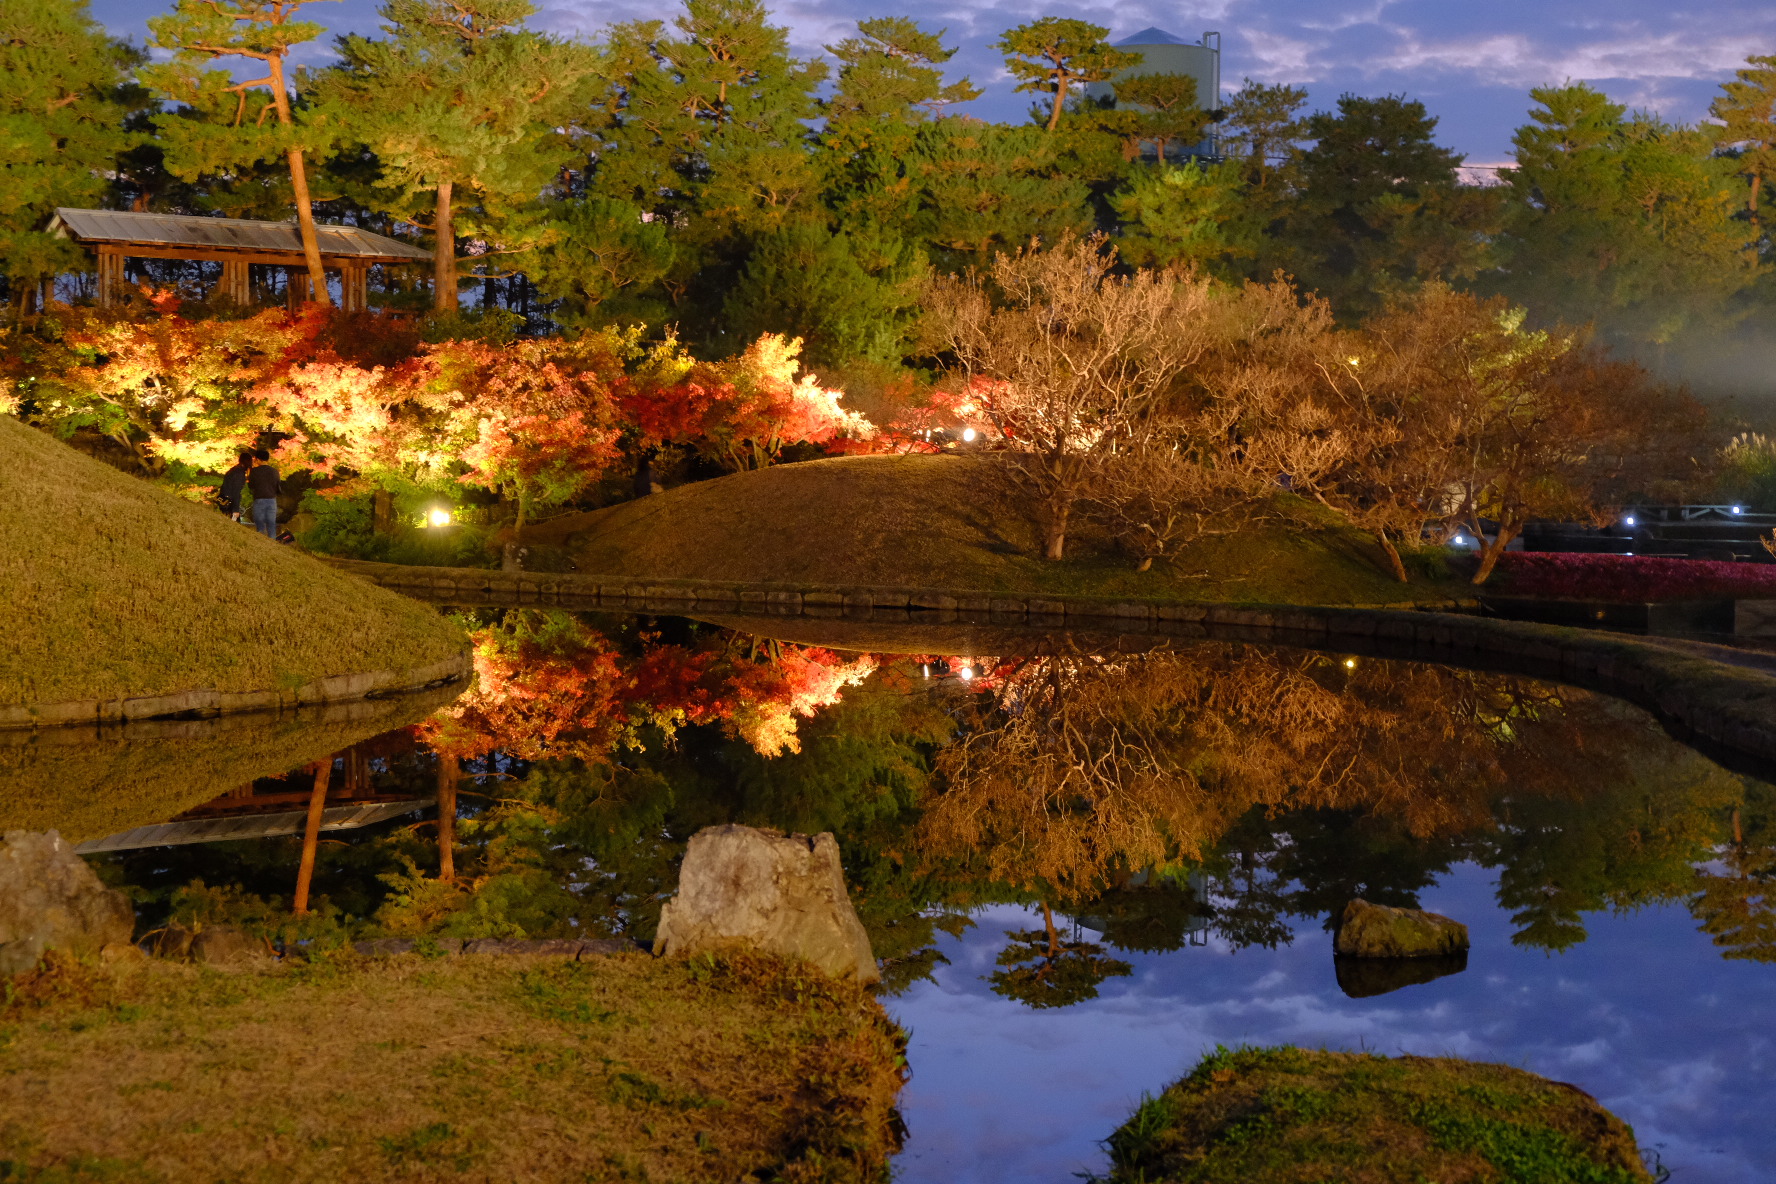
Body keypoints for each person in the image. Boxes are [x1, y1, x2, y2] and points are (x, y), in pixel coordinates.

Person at [246, 448, 281, 539]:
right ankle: (272, 543)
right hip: (272, 500)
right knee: (271, 523)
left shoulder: (254, 471)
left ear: (257, 459)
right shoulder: (275, 471)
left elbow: (251, 486)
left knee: (260, 523)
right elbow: (277, 485)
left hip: (259, 499)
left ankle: (262, 543)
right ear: (268, 459)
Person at [217, 450, 252, 521]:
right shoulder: (239, 473)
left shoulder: (233, 470)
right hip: (230, 503)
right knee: (233, 524)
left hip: (224, 499)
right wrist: (235, 510)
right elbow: (236, 491)